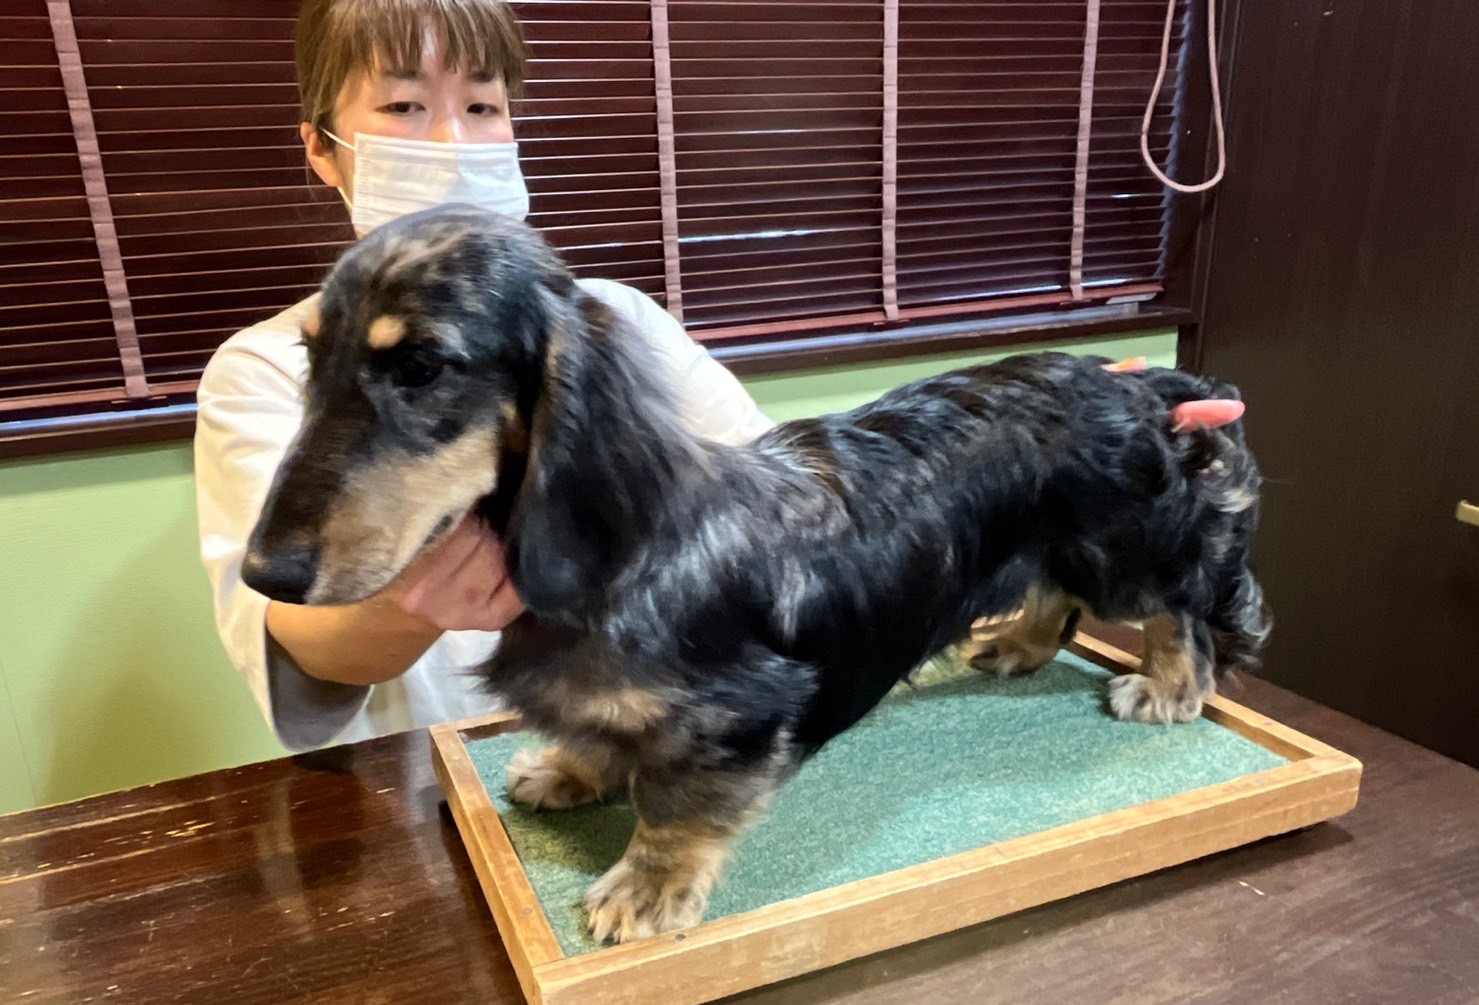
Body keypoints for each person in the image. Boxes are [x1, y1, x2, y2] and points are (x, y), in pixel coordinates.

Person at [195, 0, 1242, 753]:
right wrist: (417, 598)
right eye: (402, 106)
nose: (450, 140)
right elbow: (303, 643)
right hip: (449, 771)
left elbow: (784, 495)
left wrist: (1057, 407)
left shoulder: (614, 322)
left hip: (673, 735)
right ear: (321, 148)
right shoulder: (256, 372)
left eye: (481, 105)